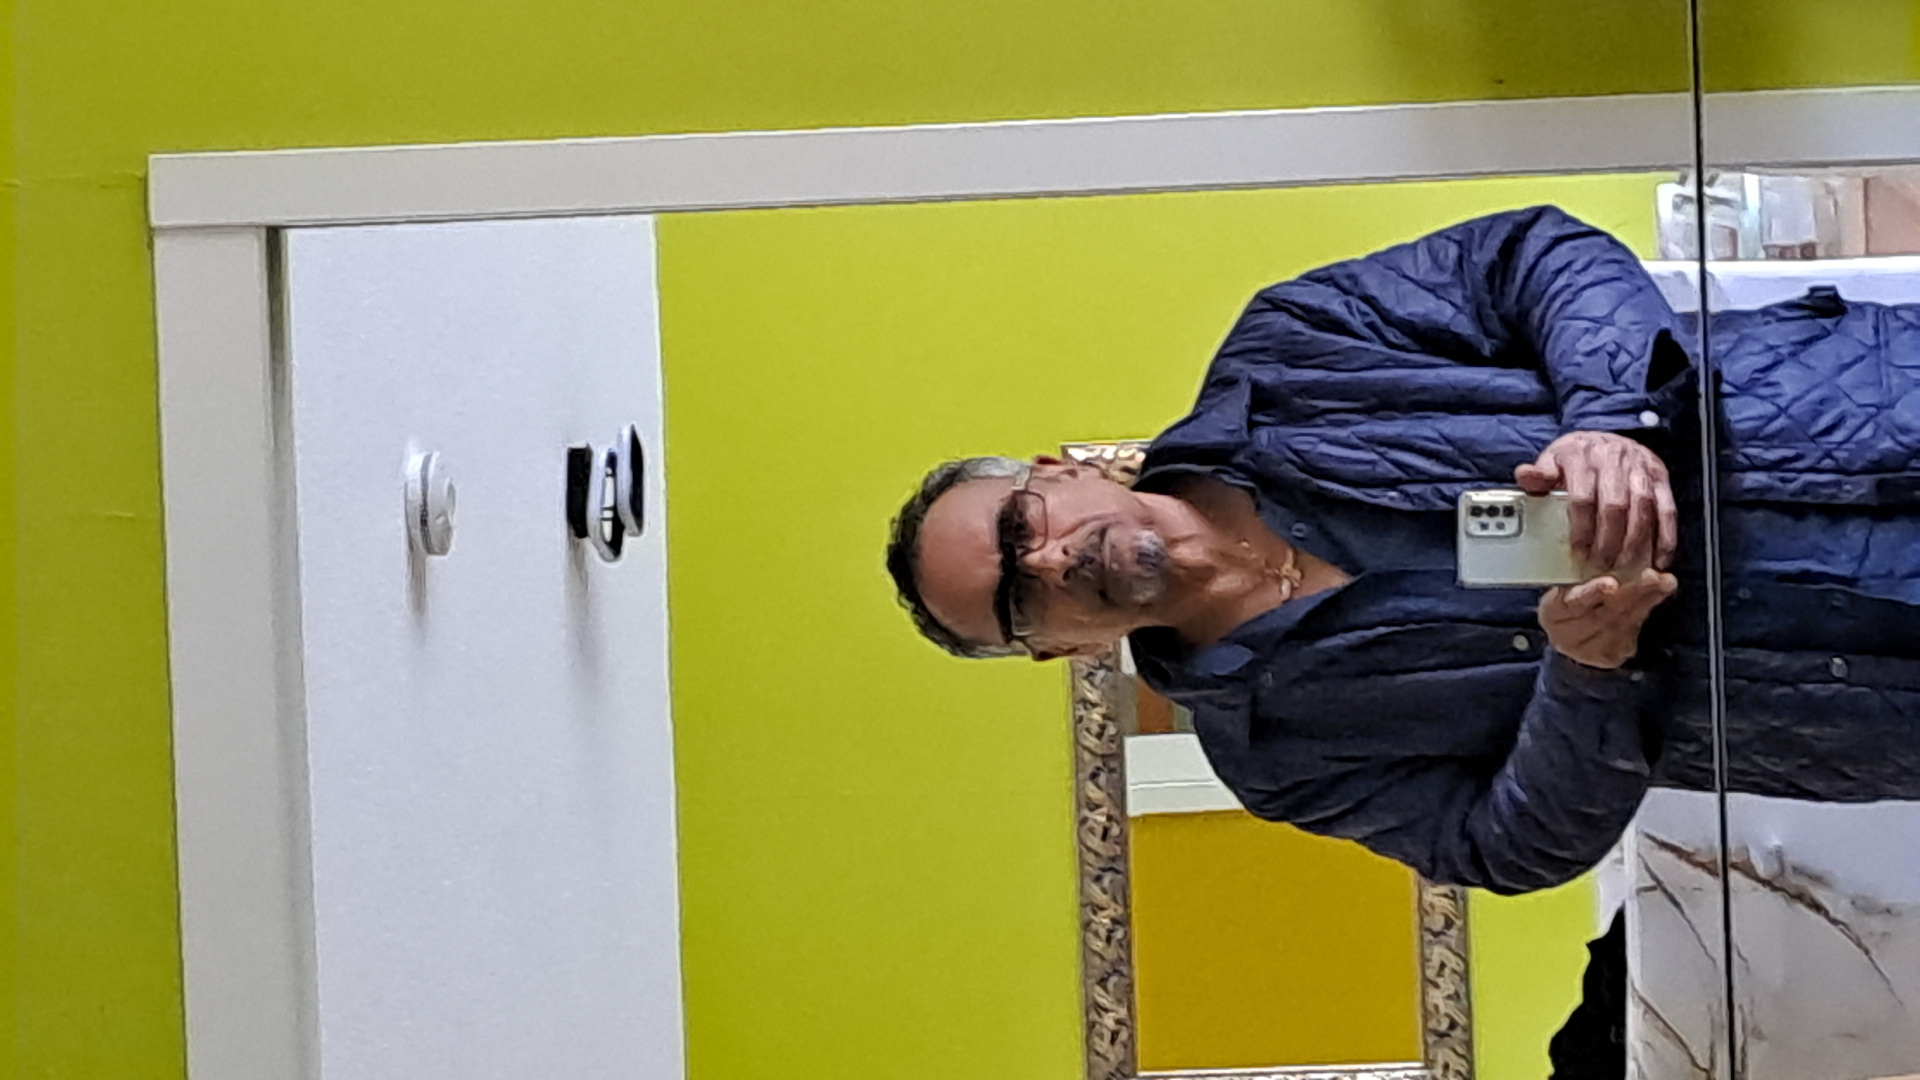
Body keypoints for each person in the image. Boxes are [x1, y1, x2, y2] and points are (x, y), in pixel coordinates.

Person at [886, 205, 1920, 895]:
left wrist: (1611, 421)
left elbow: (1532, 254)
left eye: (1019, 526)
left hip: (1863, 416)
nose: (1049, 562)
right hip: (1866, 695)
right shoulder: (1276, 756)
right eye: (1019, 598)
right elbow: (1505, 847)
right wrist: (1586, 676)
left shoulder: (1290, 349)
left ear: (1058, 471)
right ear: (1055, 647)